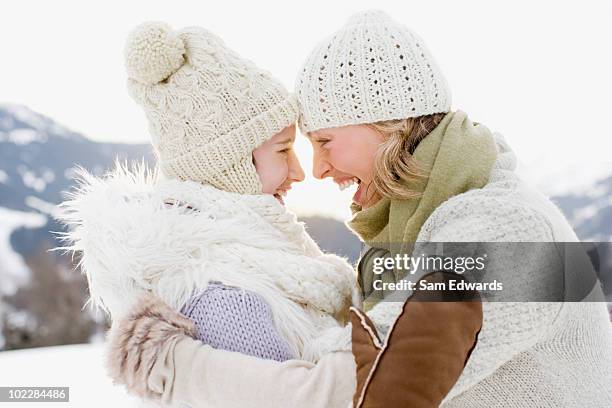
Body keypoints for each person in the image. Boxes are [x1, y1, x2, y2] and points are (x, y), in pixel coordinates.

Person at [105, 11, 612, 408]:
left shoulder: (505, 233)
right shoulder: (428, 225)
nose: (319, 169)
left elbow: (356, 392)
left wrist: (174, 363)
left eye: (324, 141)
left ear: (387, 124)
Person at [56, 21, 361, 408]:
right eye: (284, 150)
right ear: (231, 164)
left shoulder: (261, 265)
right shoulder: (226, 301)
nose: (300, 172)